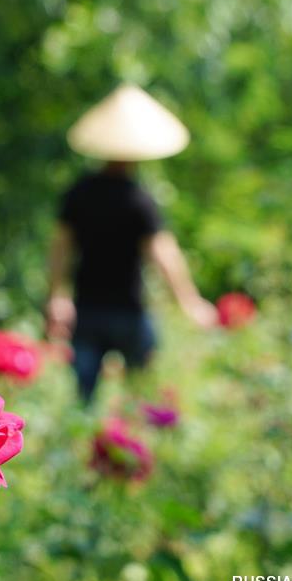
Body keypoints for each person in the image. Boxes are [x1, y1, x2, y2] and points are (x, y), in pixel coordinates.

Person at [47, 84, 216, 403]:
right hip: (128, 311)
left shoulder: (79, 193)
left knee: (83, 398)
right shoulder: (139, 200)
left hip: (88, 308)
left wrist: (58, 295)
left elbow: (60, 248)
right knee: (142, 396)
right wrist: (190, 301)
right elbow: (163, 253)